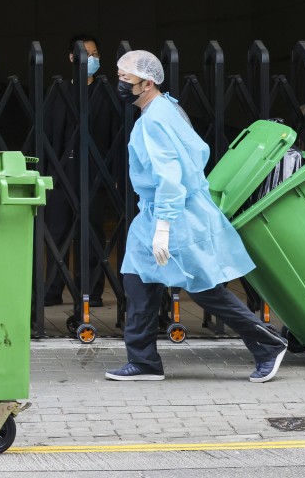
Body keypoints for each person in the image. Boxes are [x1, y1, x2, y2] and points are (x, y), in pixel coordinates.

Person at [106, 50, 287, 383]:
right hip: (157, 212)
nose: (118, 82)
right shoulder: (163, 109)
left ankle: (267, 343)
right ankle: (144, 360)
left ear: (146, 83)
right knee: (137, 278)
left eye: (124, 78)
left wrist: (163, 227)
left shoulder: (155, 119)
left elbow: (169, 176)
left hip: (174, 214)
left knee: (203, 286)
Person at [43, 35, 119, 308]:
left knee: (92, 233)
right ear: (72, 58)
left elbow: (114, 136)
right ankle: (52, 290)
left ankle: (90, 292)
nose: (91, 59)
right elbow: (47, 135)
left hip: (94, 174)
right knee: (57, 232)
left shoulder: (106, 92)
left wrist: (113, 176)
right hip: (61, 174)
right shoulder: (58, 91)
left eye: (95, 53)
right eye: (85, 54)